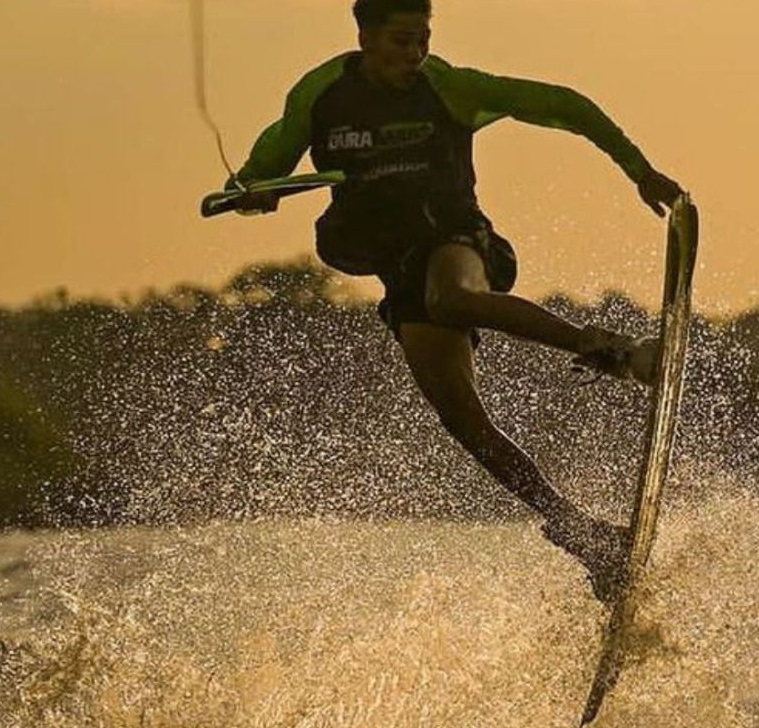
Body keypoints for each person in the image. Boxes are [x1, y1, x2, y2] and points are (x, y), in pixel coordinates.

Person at [229, 0, 684, 601]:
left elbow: (566, 107)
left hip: (458, 240)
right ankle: (584, 536)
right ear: (364, 38)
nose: (413, 56)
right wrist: (250, 189)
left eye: (422, 40)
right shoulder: (320, 96)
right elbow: (268, 165)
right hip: (400, 272)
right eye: (399, 43)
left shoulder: (450, 90)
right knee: (464, 422)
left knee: (452, 297)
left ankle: (622, 353)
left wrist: (639, 170)